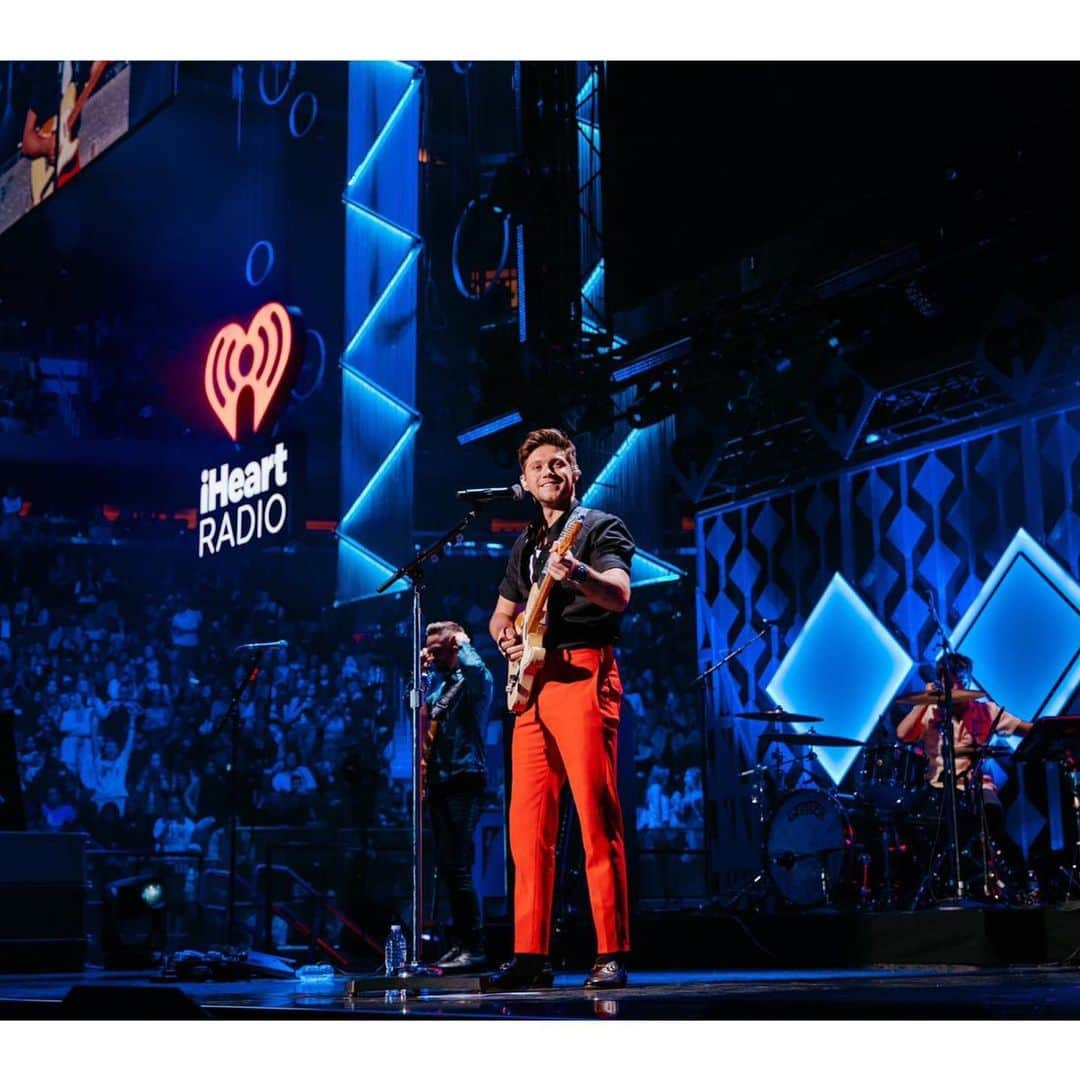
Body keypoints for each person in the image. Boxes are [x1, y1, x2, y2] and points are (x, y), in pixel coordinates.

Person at [485, 427, 634, 991]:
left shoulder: (598, 528)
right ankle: (530, 954)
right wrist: (508, 641)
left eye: (561, 463)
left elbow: (619, 594)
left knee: (597, 815)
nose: (550, 471)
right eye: (540, 466)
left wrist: (577, 573)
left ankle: (611, 951)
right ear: (524, 482)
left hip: (583, 672)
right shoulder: (524, 545)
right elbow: (500, 618)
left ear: (574, 472)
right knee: (528, 828)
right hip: (532, 685)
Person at [897, 652, 1033, 893]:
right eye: (952, 680)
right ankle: (934, 886)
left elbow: (1025, 729)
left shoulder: (986, 711)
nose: (959, 686)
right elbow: (903, 735)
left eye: (962, 680)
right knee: (915, 822)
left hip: (977, 784)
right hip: (938, 786)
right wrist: (924, 702)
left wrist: (1055, 728)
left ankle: (1014, 883)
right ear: (941, 680)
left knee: (994, 819)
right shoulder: (929, 712)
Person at [422, 620, 492, 971]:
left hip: (466, 779)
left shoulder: (475, 681)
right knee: (447, 868)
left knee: (459, 867)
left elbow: (477, 668)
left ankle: (475, 947)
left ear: (453, 646)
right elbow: (421, 711)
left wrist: (463, 641)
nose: (431, 657)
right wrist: (420, 676)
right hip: (440, 781)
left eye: (437, 650)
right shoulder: (442, 688)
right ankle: (460, 943)